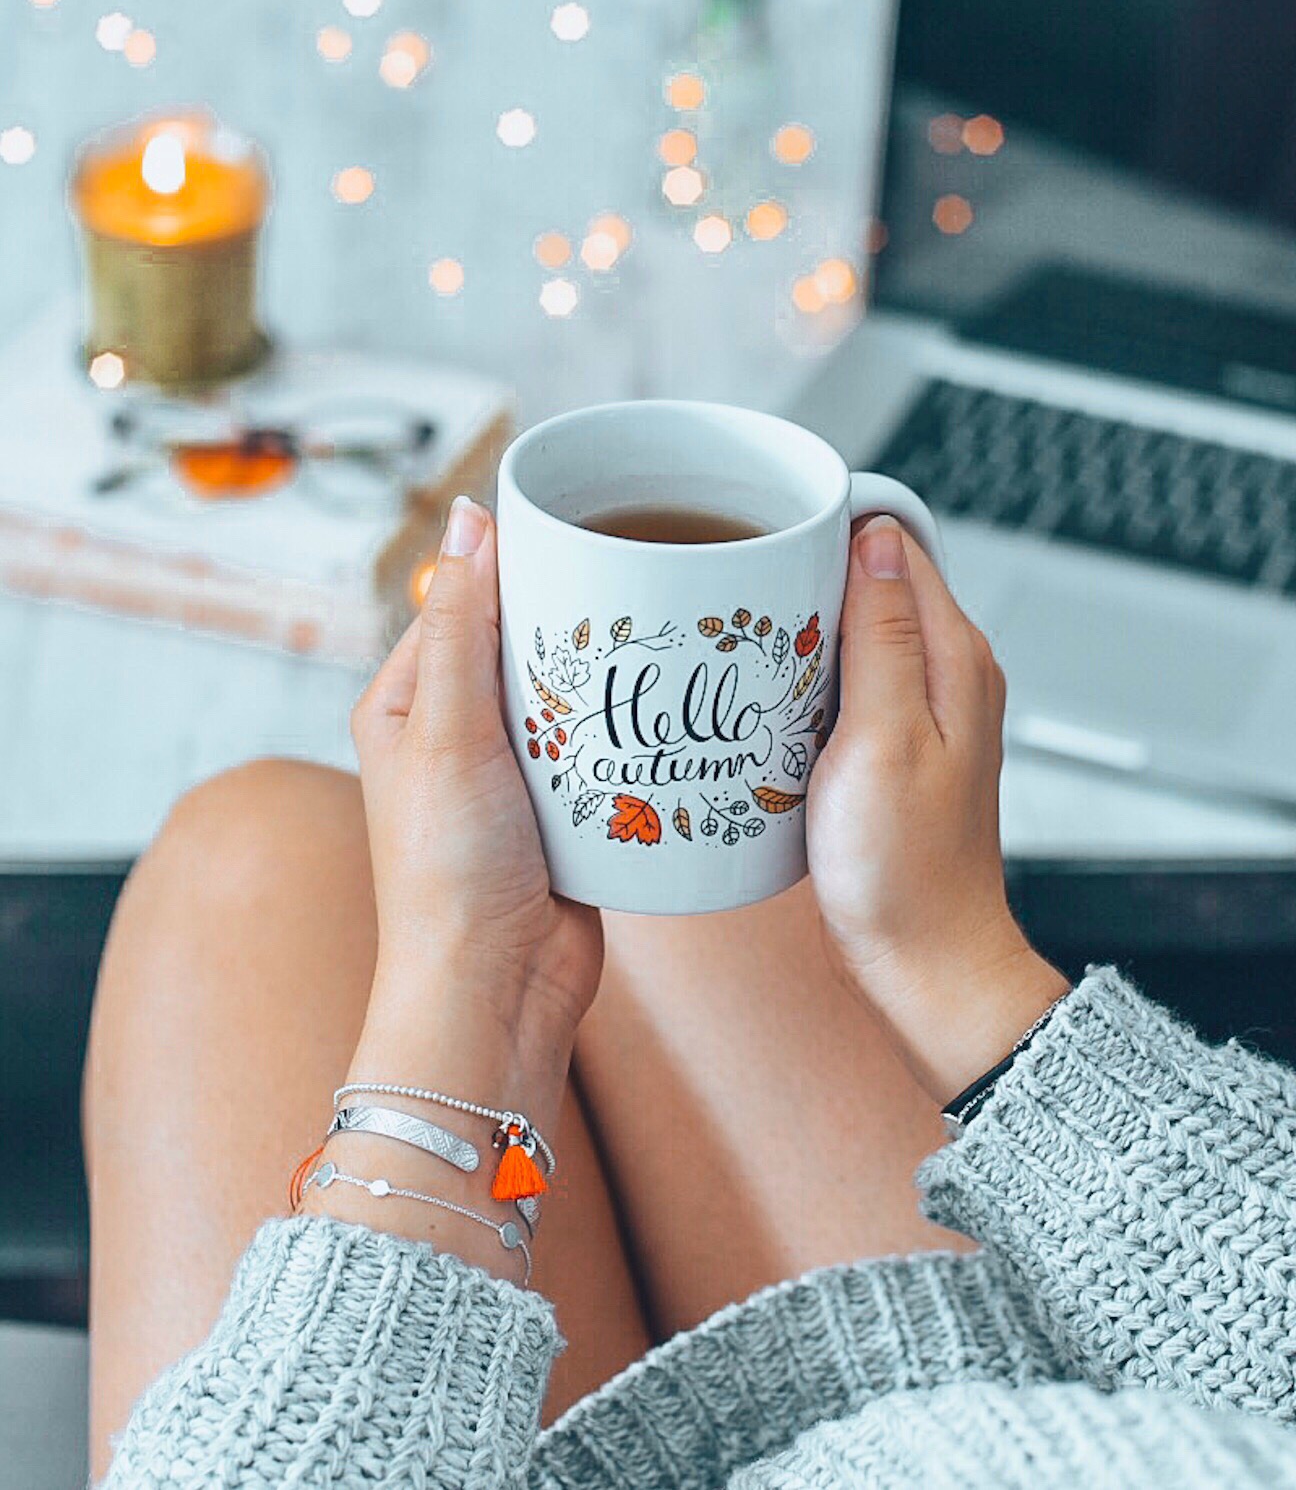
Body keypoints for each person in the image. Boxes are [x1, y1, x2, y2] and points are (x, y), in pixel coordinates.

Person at [85, 500, 1296, 1487]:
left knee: (252, 849)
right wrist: (953, 965)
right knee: (689, 869)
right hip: (1024, 1412)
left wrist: (467, 1011)